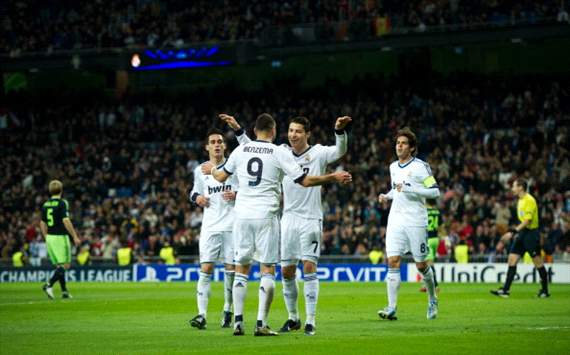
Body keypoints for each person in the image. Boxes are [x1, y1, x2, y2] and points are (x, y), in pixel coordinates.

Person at [202, 113, 352, 336]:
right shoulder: (280, 152)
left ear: (307, 134)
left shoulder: (316, 152)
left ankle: (305, 320)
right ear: (275, 131)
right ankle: (284, 319)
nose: (293, 134)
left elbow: (339, 151)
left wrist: (339, 132)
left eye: (298, 131)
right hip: (280, 217)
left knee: (258, 267)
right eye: (290, 130)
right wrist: (333, 177)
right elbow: (301, 178)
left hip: (288, 217)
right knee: (279, 270)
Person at [377, 127, 440, 320]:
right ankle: (391, 307)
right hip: (396, 220)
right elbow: (397, 189)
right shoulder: (393, 167)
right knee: (393, 261)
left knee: (421, 265)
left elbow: (435, 191)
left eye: (403, 143)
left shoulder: (422, 167)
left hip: (415, 221)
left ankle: (432, 299)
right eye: (397, 143)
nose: (399, 146)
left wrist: (412, 189)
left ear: (412, 148)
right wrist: (387, 196)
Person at [189, 129, 239, 330]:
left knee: (231, 269)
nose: (217, 144)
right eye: (213, 142)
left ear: (224, 146)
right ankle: (201, 315)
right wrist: (197, 198)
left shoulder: (234, 166)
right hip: (210, 226)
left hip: (232, 226)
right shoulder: (200, 170)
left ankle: (228, 308)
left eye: (220, 141)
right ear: (207, 147)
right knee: (206, 268)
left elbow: (245, 189)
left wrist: (236, 194)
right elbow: (194, 192)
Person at [491, 179, 550, 298]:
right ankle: (505, 290)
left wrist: (512, 232)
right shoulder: (520, 200)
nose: (512, 189)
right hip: (523, 233)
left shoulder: (530, 200)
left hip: (531, 234)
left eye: (514, 186)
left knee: (537, 262)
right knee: (512, 259)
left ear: (521, 188)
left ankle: (545, 290)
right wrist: (516, 232)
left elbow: (528, 221)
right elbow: (523, 221)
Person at [40, 180, 81, 299]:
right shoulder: (62, 203)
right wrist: (74, 236)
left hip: (50, 238)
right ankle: (49, 284)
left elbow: (42, 222)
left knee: (59, 266)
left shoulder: (46, 204)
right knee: (66, 265)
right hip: (60, 237)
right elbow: (65, 220)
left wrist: (46, 236)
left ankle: (64, 291)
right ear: (61, 190)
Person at [420, 198, 440, 293]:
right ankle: (426, 284)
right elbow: (441, 226)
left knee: (429, 263)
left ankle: (435, 285)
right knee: (427, 262)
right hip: (436, 239)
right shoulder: (437, 212)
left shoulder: (425, 211)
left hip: (428, 239)